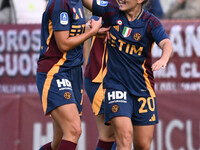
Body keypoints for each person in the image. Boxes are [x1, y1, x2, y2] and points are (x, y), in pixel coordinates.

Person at [82, 0, 173, 149]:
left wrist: (164, 58)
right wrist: (90, 30)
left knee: (142, 145)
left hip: (142, 88)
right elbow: (88, 3)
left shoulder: (150, 22)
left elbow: (166, 43)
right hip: (116, 86)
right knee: (124, 137)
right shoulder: (112, 11)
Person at [36, 0, 102, 149]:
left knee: (59, 142)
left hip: (73, 71)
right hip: (55, 71)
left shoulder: (77, 1)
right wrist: (91, 32)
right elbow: (63, 44)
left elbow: (101, 8)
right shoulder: (60, 3)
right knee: (74, 130)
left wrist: (90, 28)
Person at [84, 22, 116, 149]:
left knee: (108, 136)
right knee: (123, 133)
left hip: (105, 79)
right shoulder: (108, 9)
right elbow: (89, 26)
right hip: (101, 80)